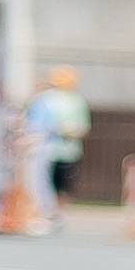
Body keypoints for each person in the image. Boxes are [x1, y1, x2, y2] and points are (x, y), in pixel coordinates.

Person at [25, 66, 91, 208]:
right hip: (48, 148)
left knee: (58, 184)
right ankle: (49, 210)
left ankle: (54, 211)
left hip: (65, 150)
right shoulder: (46, 99)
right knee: (46, 183)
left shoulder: (76, 100)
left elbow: (83, 127)